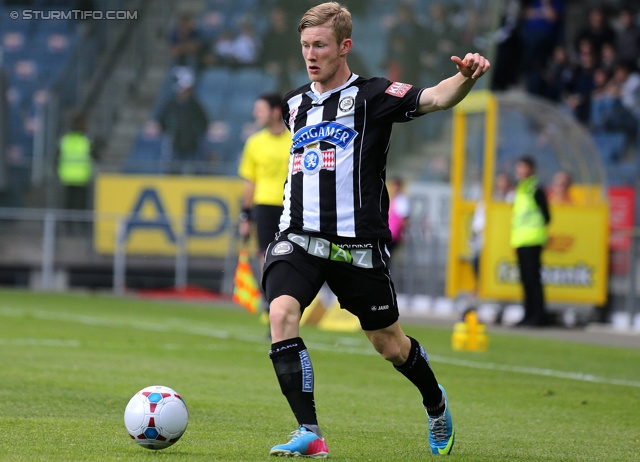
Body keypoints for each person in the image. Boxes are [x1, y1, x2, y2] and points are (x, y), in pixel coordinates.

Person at [262, 2, 490, 458]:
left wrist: (466, 76)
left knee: (390, 345)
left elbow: (437, 97)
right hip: (300, 237)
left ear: (344, 47)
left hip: (356, 246)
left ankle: (435, 402)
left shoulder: (375, 95)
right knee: (282, 314)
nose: (311, 54)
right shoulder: (293, 105)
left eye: (320, 45)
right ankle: (309, 432)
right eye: (306, 45)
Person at [237, 93, 291, 287]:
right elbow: (249, 182)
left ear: (276, 112)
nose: (255, 113)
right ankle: (269, 301)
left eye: (260, 109)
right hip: (265, 206)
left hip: (292, 208)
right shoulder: (254, 143)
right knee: (266, 255)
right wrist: (246, 216)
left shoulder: (295, 139)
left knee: (292, 256)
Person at [511, 156, 551, 327]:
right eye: (519, 168)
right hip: (521, 241)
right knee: (526, 281)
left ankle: (538, 316)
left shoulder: (534, 190)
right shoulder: (521, 190)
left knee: (533, 280)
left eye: (523, 168)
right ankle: (528, 315)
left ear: (531, 170)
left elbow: (547, 216)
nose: (520, 171)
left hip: (533, 241)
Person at [156, 69, 209, 174]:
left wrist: (195, 133)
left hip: (191, 145)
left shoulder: (195, 105)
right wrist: (168, 132)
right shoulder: (170, 104)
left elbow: (204, 122)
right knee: (171, 170)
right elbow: (160, 120)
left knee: (191, 171)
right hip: (174, 144)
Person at [470, 172, 514, 287]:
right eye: (500, 183)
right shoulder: (486, 202)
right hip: (488, 242)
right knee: (476, 260)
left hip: (507, 240)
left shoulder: (513, 199)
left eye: (505, 183)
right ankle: (481, 286)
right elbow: (478, 224)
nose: (502, 186)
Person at [57, 111, 93, 233]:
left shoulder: (65, 140)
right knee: (81, 205)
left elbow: (57, 158)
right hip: (82, 177)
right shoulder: (85, 141)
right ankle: (82, 228)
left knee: (68, 204)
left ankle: (69, 228)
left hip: (67, 177)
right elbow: (94, 156)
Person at [387, 176, 411, 256]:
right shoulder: (393, 199)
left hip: (393, 234)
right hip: (389, 233)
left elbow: (404, 219)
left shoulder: (402, 200)